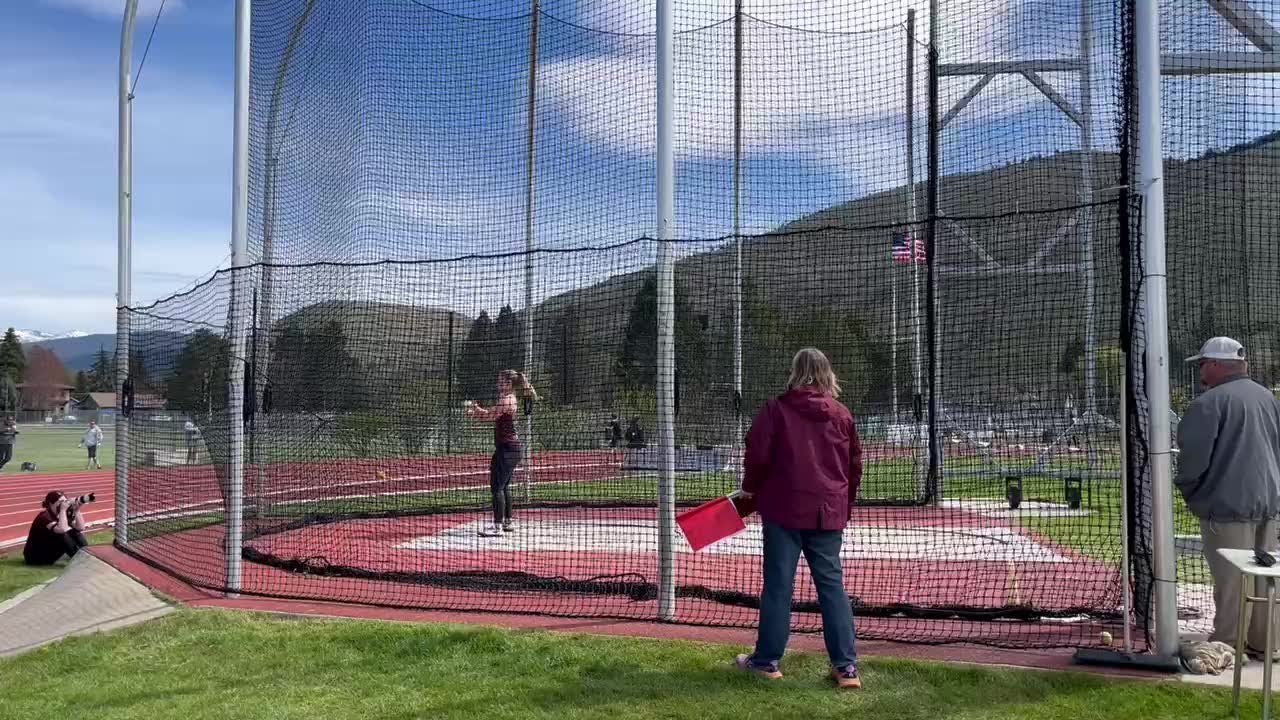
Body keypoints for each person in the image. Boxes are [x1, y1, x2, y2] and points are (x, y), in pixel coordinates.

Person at [734, 347, 863, 689]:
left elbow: (757, 454)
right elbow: (854, 466)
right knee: (832, 588)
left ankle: (766, 662)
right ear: (828, 374)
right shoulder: (841, 414)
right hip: (827, 513)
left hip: (784, 510)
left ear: (795, 372)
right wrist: (843, 505)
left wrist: (749, 490)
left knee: (778, 586)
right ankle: (846, 668)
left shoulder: (775, 410)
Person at [1176, 336, 1280, 659]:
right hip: (1270, 506)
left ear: (1218, 365)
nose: (1201, 372)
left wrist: (1193, 494)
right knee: (1266, 582)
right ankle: (1267, 644)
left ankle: (1227, 647)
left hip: (1227, 510)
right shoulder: (1267, 398)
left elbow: (1192, 462)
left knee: (1232, 583)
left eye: (1204, 364)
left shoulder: (1208, 403)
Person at [466, 370, 538, 537]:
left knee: (497, 487)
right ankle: (507, 522)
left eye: (501, 381)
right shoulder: (508, 399)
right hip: (508, 449)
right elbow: (491, 415)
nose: (498, 384)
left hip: (508, 449)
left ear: (508, 383)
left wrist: (476, 412)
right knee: (503, 486)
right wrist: (477, 411)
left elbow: (490, 416)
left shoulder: (507, 400)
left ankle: (497, 527)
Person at [23, 490, 89, 566]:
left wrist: (77, 510)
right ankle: (79, 560)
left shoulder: (61, 514)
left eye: (65, 501)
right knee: (62, 535)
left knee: (75, 532)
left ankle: (88, 556)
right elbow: (62, 529)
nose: (64, 504)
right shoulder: (44, 516)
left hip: (48, 551)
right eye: (60, 501)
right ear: (51, 504)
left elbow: (80, 527)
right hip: (35, 556)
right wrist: (63, 510)